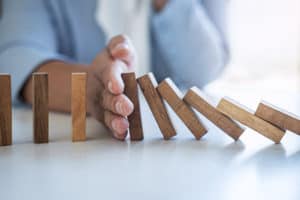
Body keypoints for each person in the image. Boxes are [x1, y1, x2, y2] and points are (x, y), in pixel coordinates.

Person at [0, 0, 229, 140]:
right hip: (78, 149)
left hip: (166, 152)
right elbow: (14, 58)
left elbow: (203, 70)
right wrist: (90, 87)